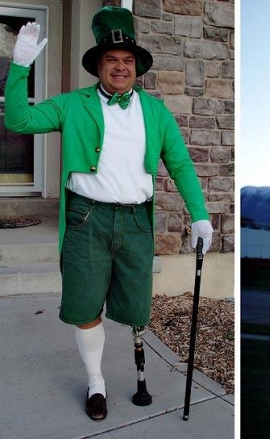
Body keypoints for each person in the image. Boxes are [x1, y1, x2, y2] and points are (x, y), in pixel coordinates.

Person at [5, 7, 213, 421]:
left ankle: (133, 355)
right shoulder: (72, 104)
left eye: (127, 60)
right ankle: (96, 381)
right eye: (111, 60)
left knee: (136, 307)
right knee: (85, 307)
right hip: (87, 219)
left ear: (136, 67)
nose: (120, 67)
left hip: (136, 222)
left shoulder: (155, 112)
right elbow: (18, 118)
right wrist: (20, 67)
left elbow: (181, 164)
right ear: (99, 66)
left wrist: (200, 215)